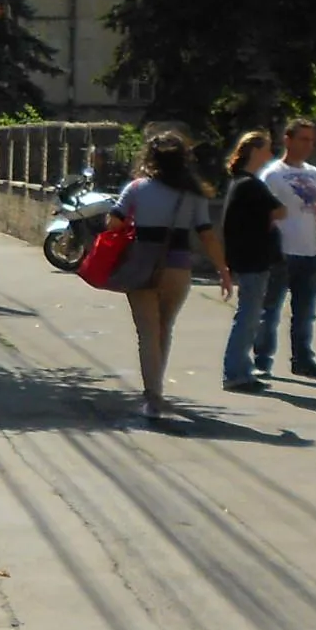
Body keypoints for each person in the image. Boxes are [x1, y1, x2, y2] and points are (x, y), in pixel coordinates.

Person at [114, 131, 230, 423]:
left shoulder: (136, 188)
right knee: (164, 328)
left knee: (147, 333)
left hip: (142, 266)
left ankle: (152, 396)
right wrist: (223, 270)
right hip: (178, 268)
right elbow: (207, 234)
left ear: (149, 157)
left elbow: (112, 223)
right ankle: (157, 390)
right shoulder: (193, 194)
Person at [259, 119, 316, 379]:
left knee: (305, 312)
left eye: (311, 140)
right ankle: (262, 360)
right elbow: (263, 213)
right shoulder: (272, 174)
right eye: (303, 139)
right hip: (280, 251)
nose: (308, 145)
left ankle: (302, 359)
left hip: (309, 251)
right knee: (270, 310)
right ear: (287, 140)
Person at [218, 131, 284, 392]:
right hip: (253, 259)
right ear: (255, 151)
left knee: (250, 315)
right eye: (267, 148)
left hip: (247, 257)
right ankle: (236, 373)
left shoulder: (240, 183)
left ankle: (241, 370)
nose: (270, 154)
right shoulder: (250, 185)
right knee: (248, 316)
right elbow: (280, 210)